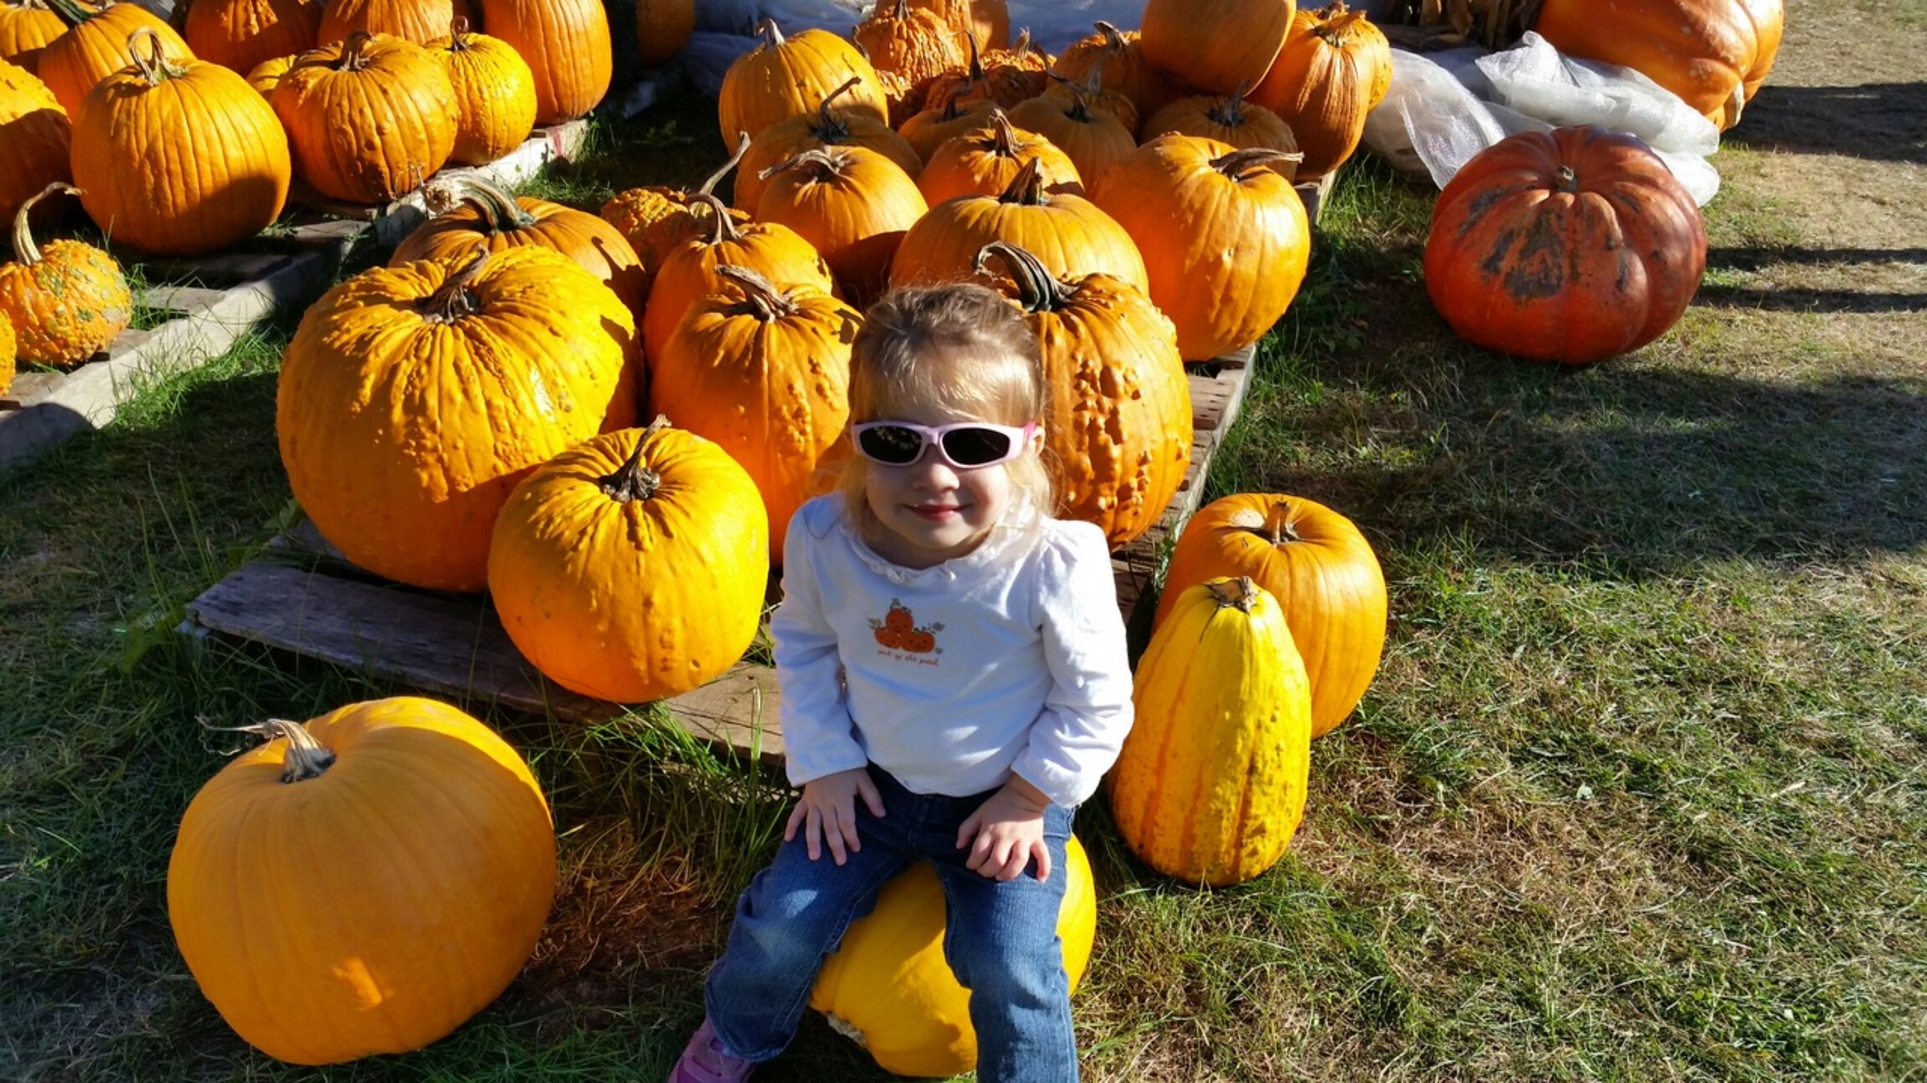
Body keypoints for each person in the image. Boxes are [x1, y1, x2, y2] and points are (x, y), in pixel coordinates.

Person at [668, 283, 1136, 1083]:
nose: (934, 475)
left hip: (1001, 795)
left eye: (973, 445)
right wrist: (825, 763)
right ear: (855, 439)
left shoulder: (1051, 564)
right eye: (896, 441)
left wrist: (1029, 797)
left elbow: (1093, 700)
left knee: (1011, 961)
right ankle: (739, 1030)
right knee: (782, 920)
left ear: (1027, 443)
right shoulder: (825, 538)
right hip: (869, 784)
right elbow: (805, 646)